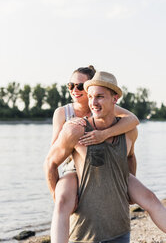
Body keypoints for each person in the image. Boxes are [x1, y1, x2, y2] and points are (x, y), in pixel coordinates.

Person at [44, 71, 166, 243]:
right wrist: (55, 196)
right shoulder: (70, 122)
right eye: (91, 96)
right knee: (62, 201)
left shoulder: (128, 129)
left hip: (116, 175)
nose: (92, 102)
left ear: (114, 99)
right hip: (72, 165)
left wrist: (128, 184)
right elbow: (51, 160)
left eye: (99, 97)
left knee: (150, 198)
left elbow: (131, 151)